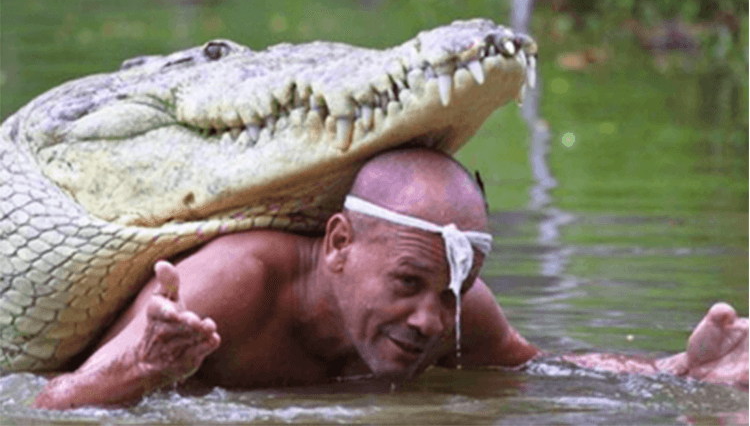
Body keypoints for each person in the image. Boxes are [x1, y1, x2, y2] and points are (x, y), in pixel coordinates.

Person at [31, 148, 748, 410]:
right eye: (407, 282)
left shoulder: (454, 310)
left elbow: (549, 375)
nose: (430, 322)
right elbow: (52, 405)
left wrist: (678, 370)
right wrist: (142, 365)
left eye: (450, 295)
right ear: (339, 243)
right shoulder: (232, 286)